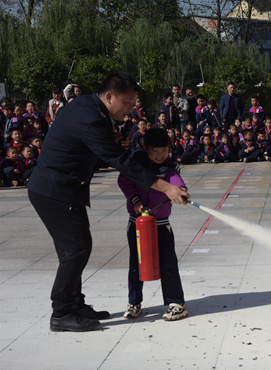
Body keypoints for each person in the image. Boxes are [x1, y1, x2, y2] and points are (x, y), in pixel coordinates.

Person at [27, 71, 190, 333]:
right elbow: (120, 162)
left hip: (65, 189)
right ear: (110, 96)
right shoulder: (91, 117)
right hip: (54, 191)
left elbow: (98, 149)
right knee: (76, 249)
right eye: (127, 102)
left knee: (73, 249)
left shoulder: (92, 108)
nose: (130, 108)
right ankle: (61, 312)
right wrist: (165, 186)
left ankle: (75, 304)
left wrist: (113, 143)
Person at [118, 128, 189, 321]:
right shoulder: (135, 163)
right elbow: (124, 181)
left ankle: (176, 303)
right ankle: (134, 302)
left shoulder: (170, 166)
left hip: (161, 224)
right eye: (155, 151)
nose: (160, 156)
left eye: (164, 151)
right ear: (145, 148)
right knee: (136, 263)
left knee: (168, 262)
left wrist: (181, 190)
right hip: (137, 224)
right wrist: (135, 200)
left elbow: (175, 179)